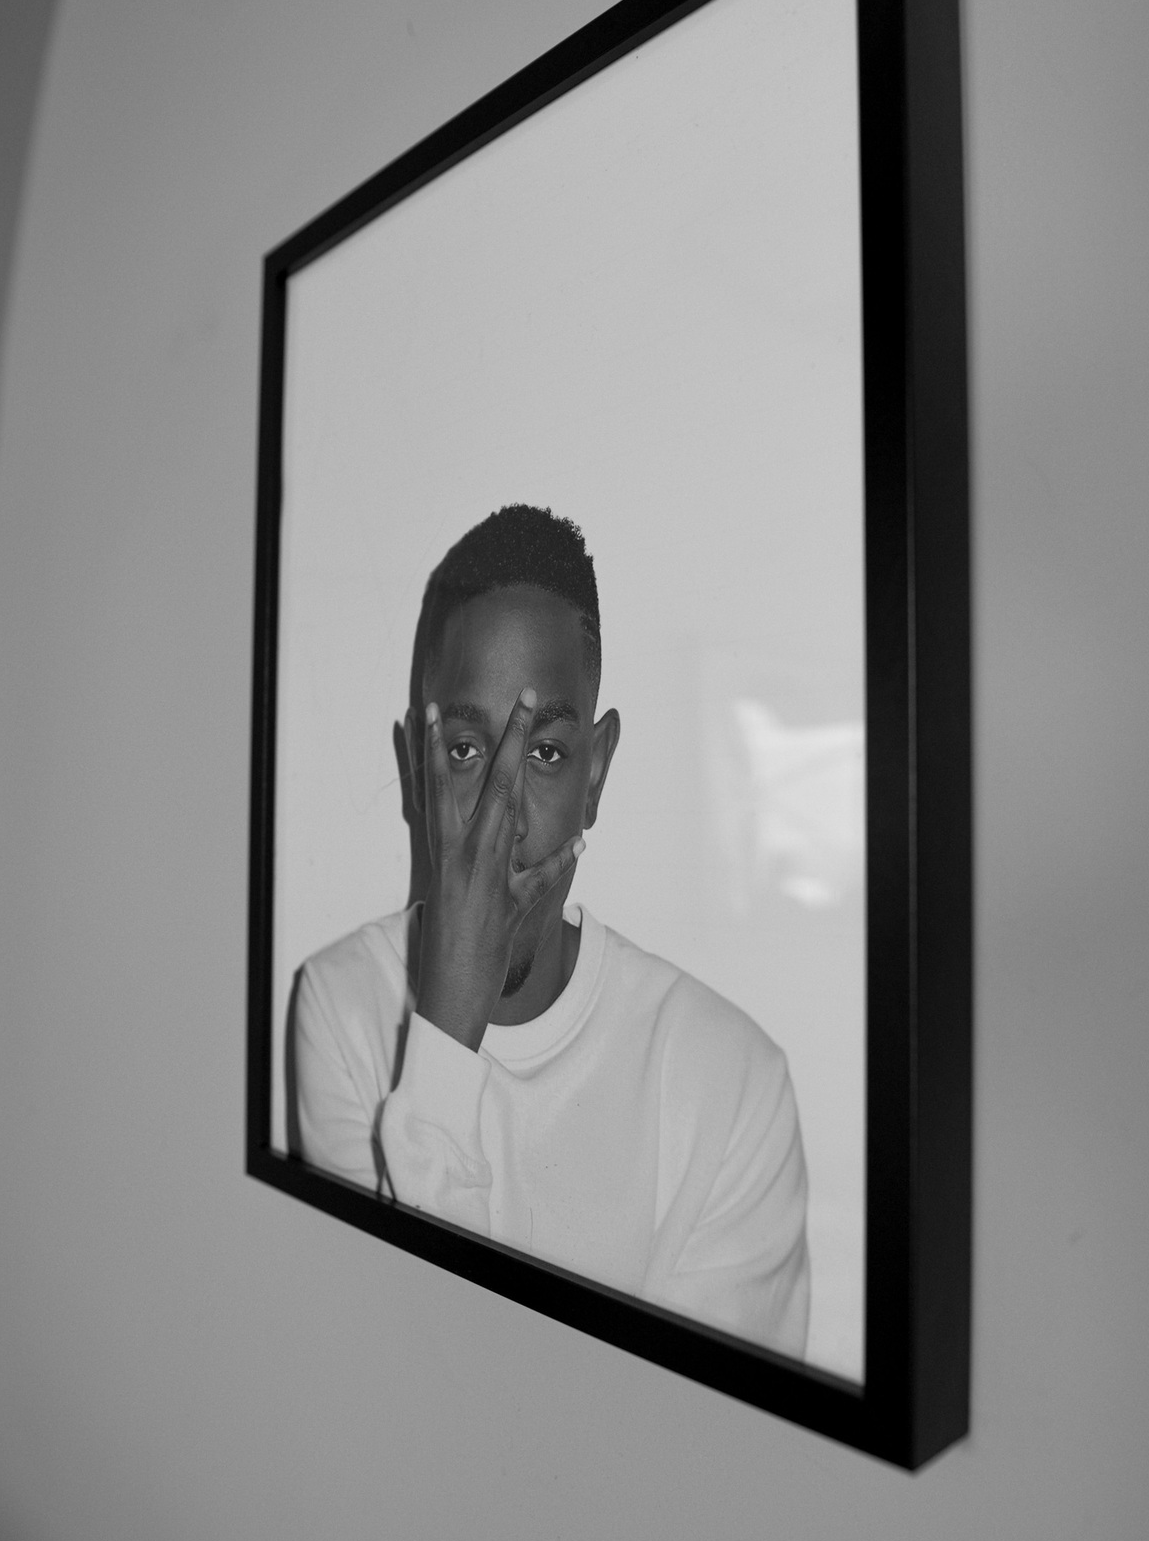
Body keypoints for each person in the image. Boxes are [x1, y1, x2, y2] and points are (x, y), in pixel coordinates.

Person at [293, 504, 809, 1356]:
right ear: (416, 773)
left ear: (595, 774)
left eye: (544, 754)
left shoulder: (730, 1086)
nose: (504, 821)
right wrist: (446, 1031)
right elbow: (397, 1364)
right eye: (466, 751)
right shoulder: (342, 1010)